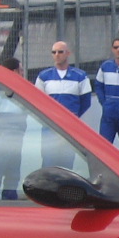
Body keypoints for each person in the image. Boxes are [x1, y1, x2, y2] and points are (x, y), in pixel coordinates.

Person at [34, 41, 91, 171]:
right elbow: (38, 101)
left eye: (60, 52)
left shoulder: (80, 76)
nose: (57, 55)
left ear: (68, 53)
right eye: (54, 52)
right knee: (48, 161)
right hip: (50, 125)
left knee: (67, 161)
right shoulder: (44, 76)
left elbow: (86, 101)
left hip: (70, 126)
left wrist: (72, 116)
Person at [0, 56, 29, 200]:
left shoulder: (19, 92)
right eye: (21, 70)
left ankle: (10, 202)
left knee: (13, 175)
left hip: (16, 139)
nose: (22, 73)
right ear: (14, 71)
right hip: (0, 141)